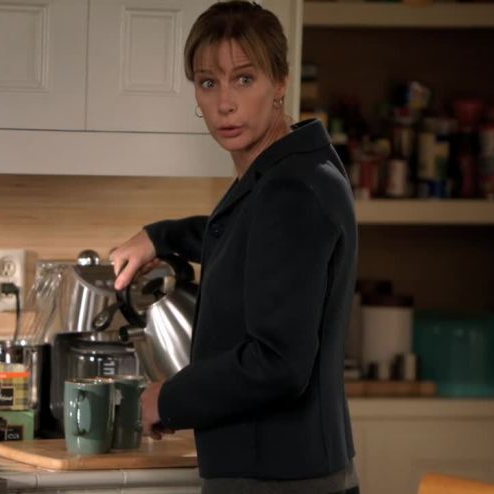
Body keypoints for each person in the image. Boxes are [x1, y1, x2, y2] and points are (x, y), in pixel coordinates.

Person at [109, 2, 359, 493]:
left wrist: (167, 399)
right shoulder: (293, 171)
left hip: (277, 477)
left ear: (280, 82)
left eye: (244, 79)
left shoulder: (290, 190)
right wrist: (161, 236)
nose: (225, 103)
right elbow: (253, 239)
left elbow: (277, 363)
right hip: (287, 467)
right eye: (208, 82)